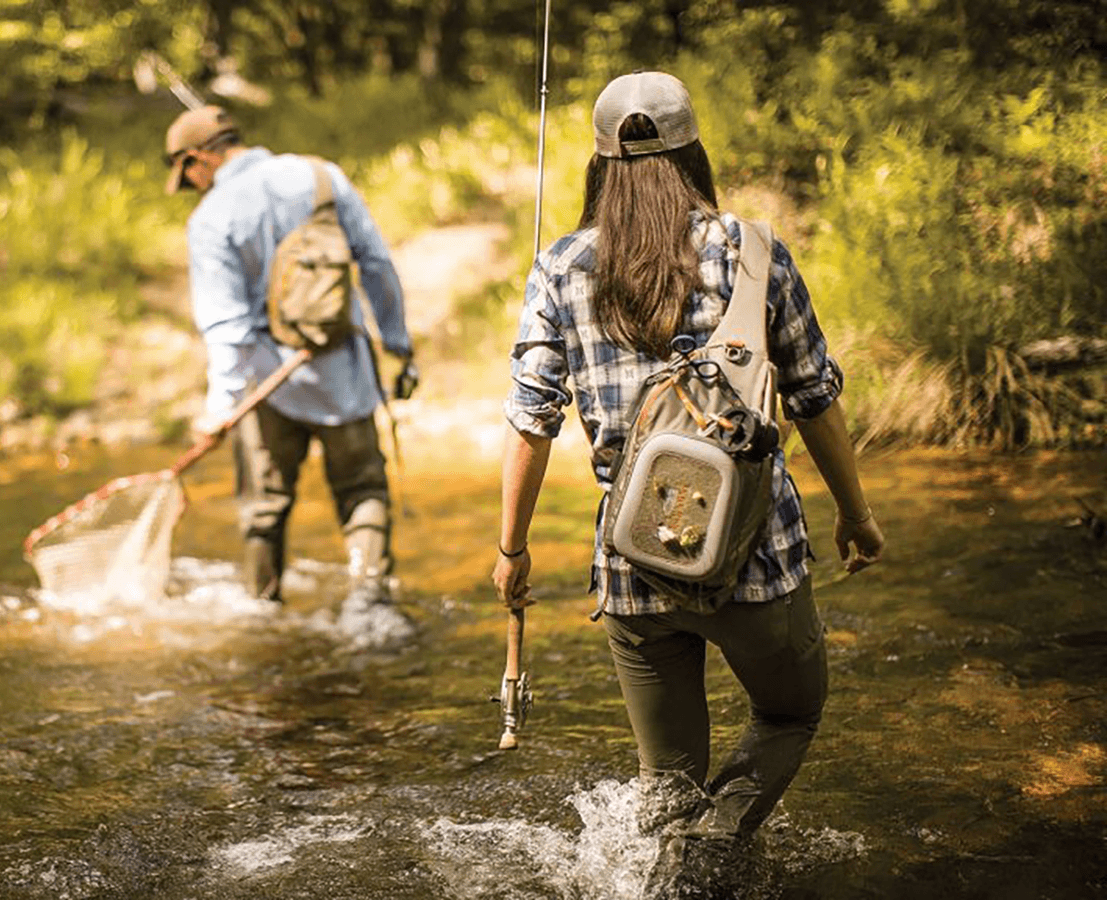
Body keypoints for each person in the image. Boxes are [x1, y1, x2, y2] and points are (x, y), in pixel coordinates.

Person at [490, 70, 886, 878]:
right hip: (757, 559)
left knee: (665, 782)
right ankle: (708, 851)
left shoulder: (561, 265)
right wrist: (855, 514)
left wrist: (512, 551)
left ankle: (662, 872)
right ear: (694, 152)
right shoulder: (753, 250)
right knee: (791, 711)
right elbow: (815, 398)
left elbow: (530, 422)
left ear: (601, 167)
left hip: (635, 567)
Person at [163, 105, 418, 612]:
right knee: (363, 489)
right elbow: (376, 264)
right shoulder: (323, 177)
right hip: (345, 371)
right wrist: (397, 342)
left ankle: (263, 610)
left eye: (187, 177)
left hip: (268, 390)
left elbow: (228, 330)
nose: (193, 188)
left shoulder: (211, 219)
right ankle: (369, 608)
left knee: (263, 510)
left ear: (198, 160)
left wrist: (219, 410)